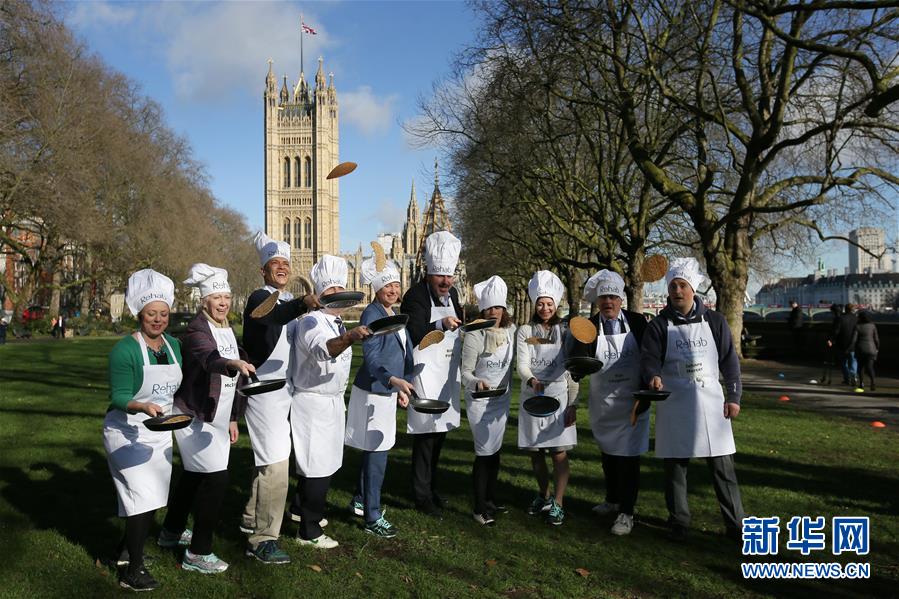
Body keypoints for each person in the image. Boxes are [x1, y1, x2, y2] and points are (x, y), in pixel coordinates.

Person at [640, 258, 744, 542]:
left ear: (693, 289)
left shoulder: (715, 321)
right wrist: (653, 376)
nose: (677, 290)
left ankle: (736, 525)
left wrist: (733, 396)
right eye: (673, 285)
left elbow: (729, 362)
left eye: (682, 285)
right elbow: (649, 358)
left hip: (711, 403)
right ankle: (679, 521)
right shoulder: (659, 325)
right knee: (675, 468)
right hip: (675, 402)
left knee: (723, 468)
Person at [162, 264, 255, 574]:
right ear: (204, 301)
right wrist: (230, 362)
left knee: (192, 476)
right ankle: (198, 552)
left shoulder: (226, 327)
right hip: (193, 416)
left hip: (216, 417)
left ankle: (170, 531)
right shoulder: (196, 330)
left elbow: (232, 382)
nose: (223, 303)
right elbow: (208, 358)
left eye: (226, 297)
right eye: (217, 297)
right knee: (216, 479)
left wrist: (232, 418)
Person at [240, 232, 318, 564]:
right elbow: (271, 315)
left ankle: (249, 520)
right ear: (263, 270)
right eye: (276, 264)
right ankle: (263, 539)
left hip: (283, 390)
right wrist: (302, 303)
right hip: (264, 392)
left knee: (269, 460)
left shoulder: (283, 300)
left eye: (286, 264)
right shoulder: (261, 297)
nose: (282, 269)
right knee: (276, 465)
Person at [102, 269, 182, 591]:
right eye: (152, 314)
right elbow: (119, 396)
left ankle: (123, 551)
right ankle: (133, 572)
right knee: (143, 498)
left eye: (163, 314)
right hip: (127, 432)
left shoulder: (174, 345)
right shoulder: (124, 350)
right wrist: (143, 406)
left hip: (161, 431)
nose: (158, 320)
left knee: (150, 498)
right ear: (140, 314)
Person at [289, 255, 370, 549]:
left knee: (325, 462)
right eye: (332, 292)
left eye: (341, 290)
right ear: (322, 295)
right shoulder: (312, 321)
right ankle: (309, 531)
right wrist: (349, 337)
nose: (338, 296)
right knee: (316, 466)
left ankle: (300, 509)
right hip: (313, 402)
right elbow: (323, 351)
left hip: (332, 401)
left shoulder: (333, 321)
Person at [345, 256, 416, 538]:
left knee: (378, 450)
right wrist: (392, 380)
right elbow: (372, 358)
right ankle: (372, 516)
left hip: (388, 391)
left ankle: (361, 500)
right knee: (378, 454)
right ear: (377, 288)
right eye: (388, 285)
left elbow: (404, 352)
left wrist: (403, 384)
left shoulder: (391, 312)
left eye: (397, 285)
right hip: (374, 392)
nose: (394, 289)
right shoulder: (372, 314)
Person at [400, 231, 464, 516]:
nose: (446, 283)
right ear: (428, 273)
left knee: (440, 436)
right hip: (424, 375)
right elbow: (414, 331)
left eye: (449, 277)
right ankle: (421, 494)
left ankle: (431, 487)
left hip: (447, 375)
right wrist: (440, 322)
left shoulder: (455, 295)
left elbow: (459, 326)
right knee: (426, 437)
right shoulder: (414, 296)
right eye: (441, 277)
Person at [583, 270, 648, 536]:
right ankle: (612, 499)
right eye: (603, 298)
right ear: (597, 302)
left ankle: (627, 512)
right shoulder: (588, 326)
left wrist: (649, 385)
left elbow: (651, 355)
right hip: (603, 403)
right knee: (608, 455)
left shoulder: (638, 322)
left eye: (612, 297)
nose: (608, 302)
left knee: (629, 459)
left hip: (632, 402)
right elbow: (579, 358)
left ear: (621, 299)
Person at [515, 270, 579, 526]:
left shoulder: (566, 331)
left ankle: (559, 503)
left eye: (549, 304)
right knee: (535, 452)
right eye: (540, 303)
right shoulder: (524, 330)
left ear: (556, 305)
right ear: (535, 304)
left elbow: (573, 370)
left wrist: (573, 403)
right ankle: (544, 494)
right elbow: (522, 363)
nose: (544, 308)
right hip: (532, 396)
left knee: (558, 452)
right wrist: (531, 379)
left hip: (558, 396)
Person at [461, 275, 515, 526]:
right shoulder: (474, 333)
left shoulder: (511, 331)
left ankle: (491, 498)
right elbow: (465, 372)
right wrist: (477, 383)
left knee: (495, 451)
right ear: (483, 310)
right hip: (480, 400)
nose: (494, 312)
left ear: (504, 310)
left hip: (501, 400)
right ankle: (479, 507)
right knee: (484, 452)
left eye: (498, 308)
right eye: (490, 308)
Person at [831, 303, 858, 386]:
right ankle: (853, 375)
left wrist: (831, 339)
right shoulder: (856, 318)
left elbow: (836, 331)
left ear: (845, 309)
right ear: (853, 310)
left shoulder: (841, 318)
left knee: (843, 362)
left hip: (842, 343)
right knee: (853, 360)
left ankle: (847, 378)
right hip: (853, 343)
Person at [854, 311, 879, 392]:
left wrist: (849, 348)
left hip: (861, 349)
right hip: (871, 349)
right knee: (870, 367)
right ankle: (873, 383)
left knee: (861, 368)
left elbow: (854, 340)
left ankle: (861, 384)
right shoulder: (872, 326)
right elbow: (876, 339)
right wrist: (877, 348)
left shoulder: (858, 326)